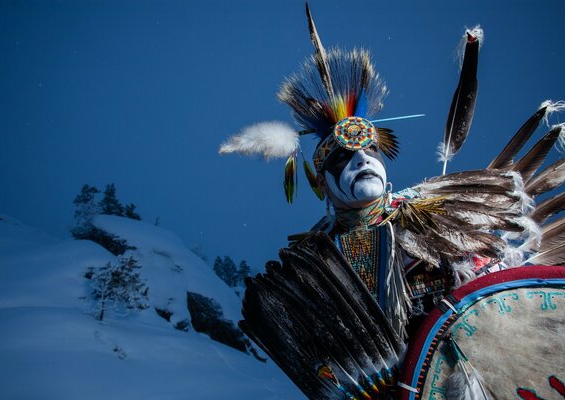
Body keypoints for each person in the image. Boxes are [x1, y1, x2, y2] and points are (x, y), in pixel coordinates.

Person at [220, 4, 564, 399]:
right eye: (343, 158)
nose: (362, 159)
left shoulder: (434, 212)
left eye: (371, 151)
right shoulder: (314, 264)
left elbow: (492, 288)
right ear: (324, 183)